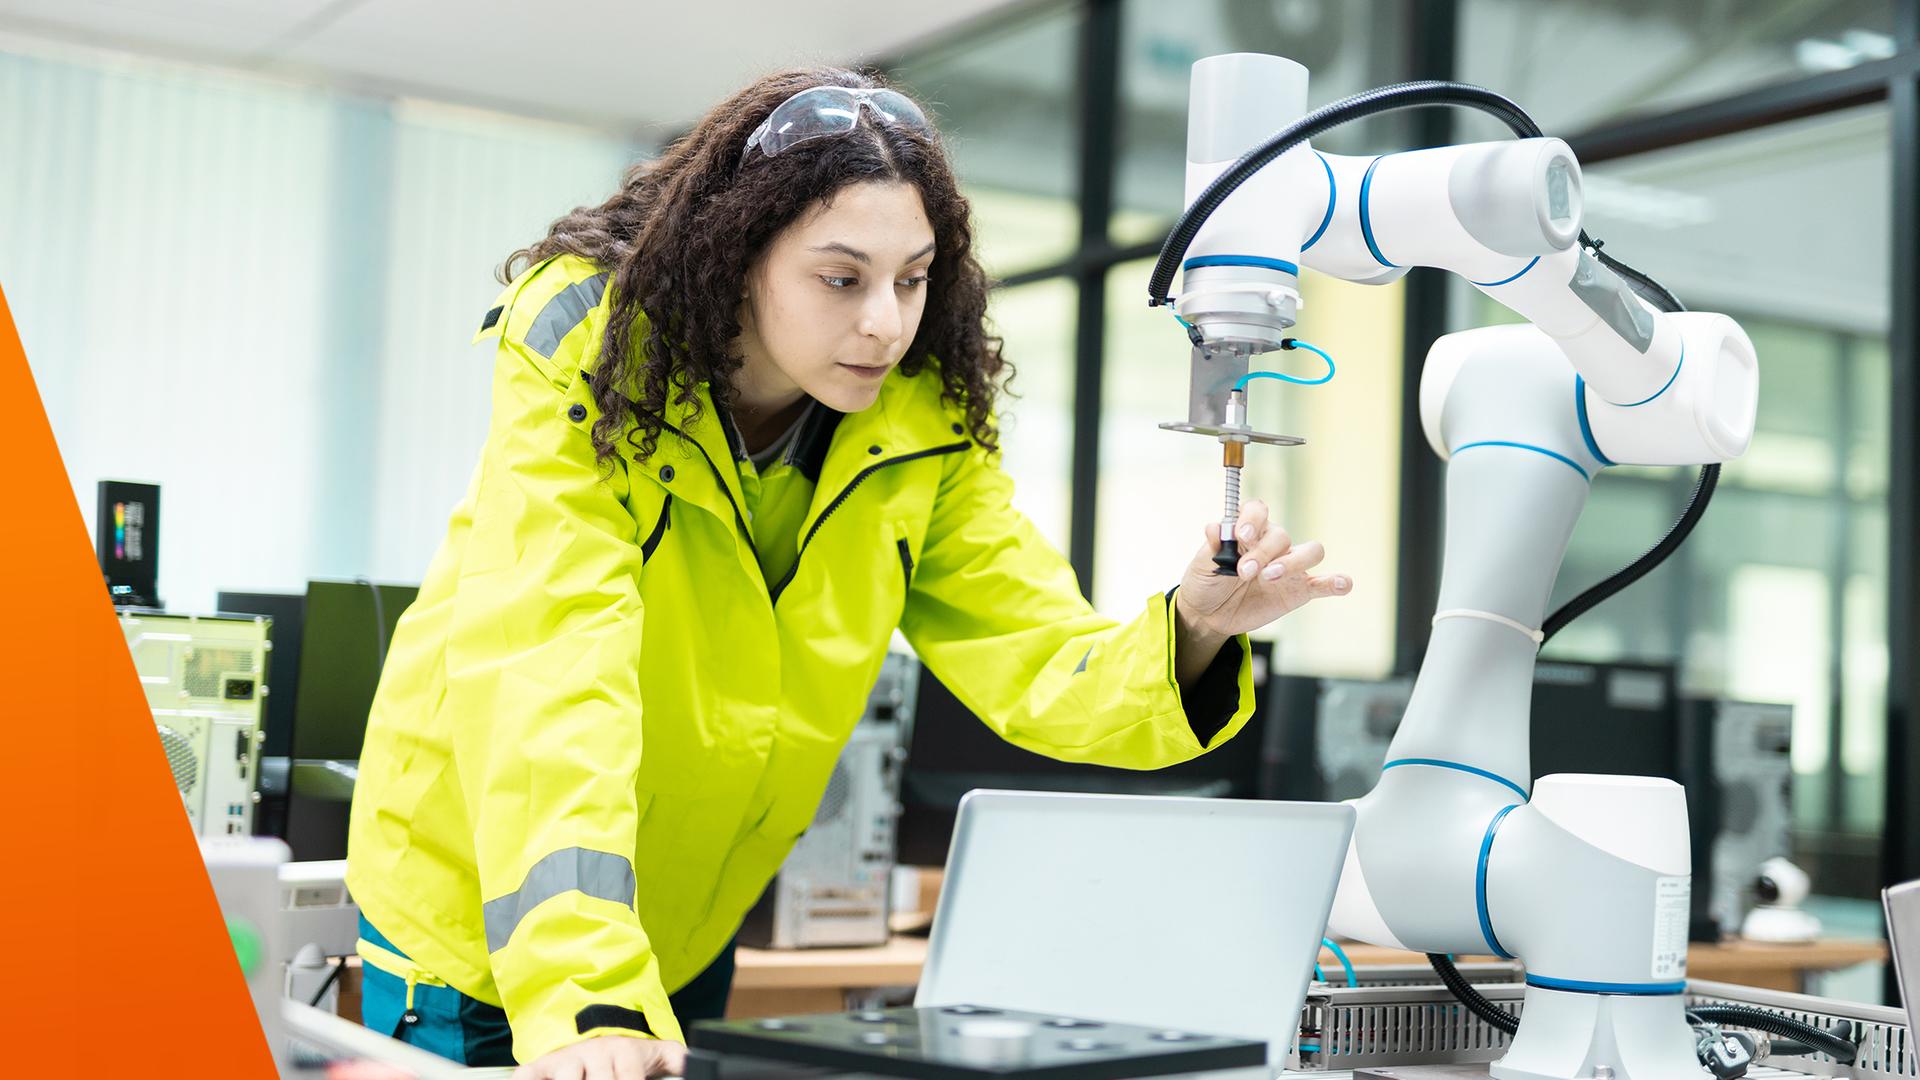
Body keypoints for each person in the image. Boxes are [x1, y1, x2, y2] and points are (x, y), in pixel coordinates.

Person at [344, 65, 1352, 1080]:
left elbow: (1037, 652)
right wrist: (591, 993)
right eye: (842, 278)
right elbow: (551, 674)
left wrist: (1196, 627)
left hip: (684, 931)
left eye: (912, 278)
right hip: (489, 925)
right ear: (738, 255)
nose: (887, 322)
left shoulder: (922, 426)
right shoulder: (594, 353)